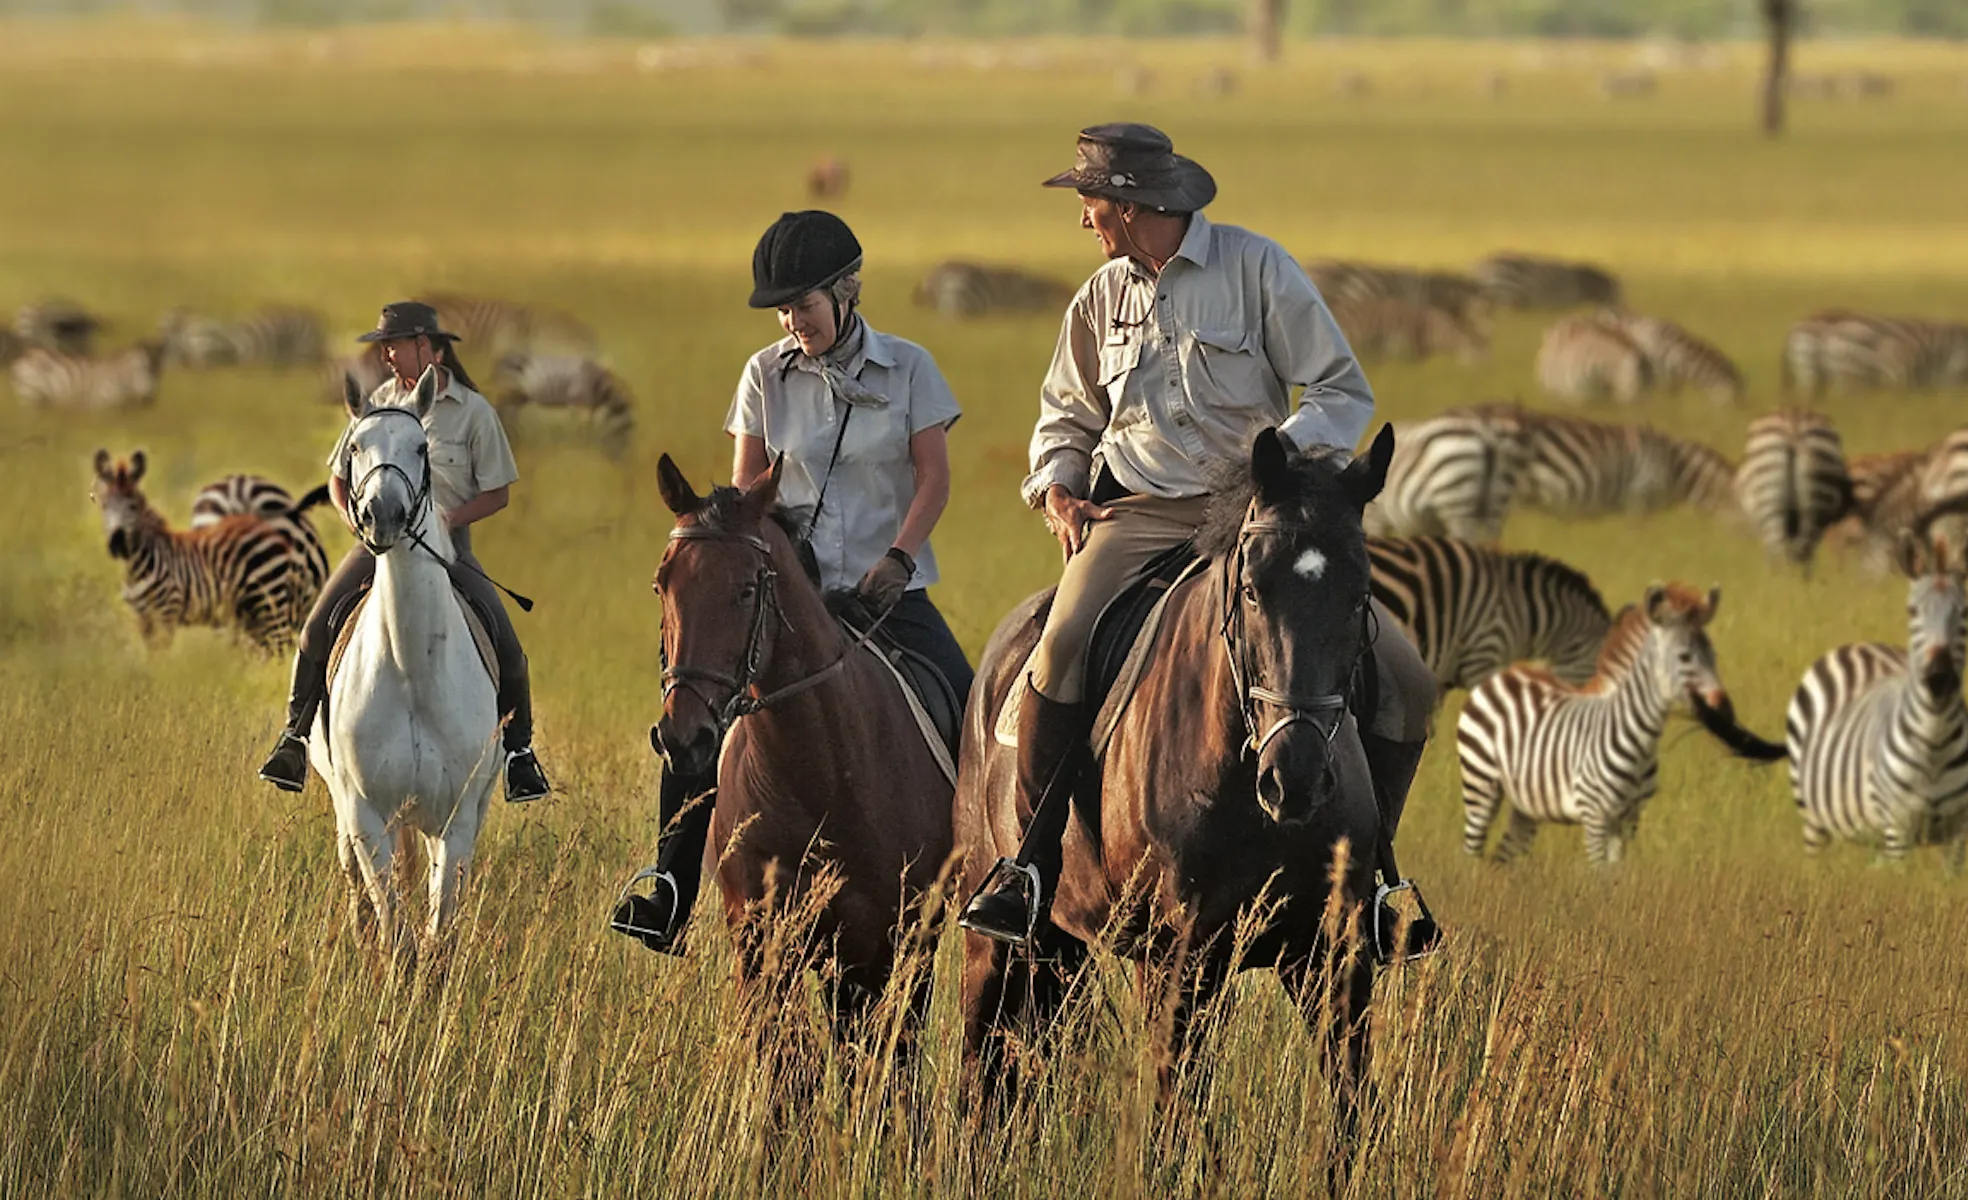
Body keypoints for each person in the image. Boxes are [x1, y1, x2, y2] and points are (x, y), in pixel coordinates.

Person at [954, 123, 1437, 950]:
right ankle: (1029, 869)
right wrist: (1060, 488)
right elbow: (1065, 416)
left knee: (1408, 680)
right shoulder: (1099, 298)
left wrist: (1279, 461)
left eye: (1090, 201)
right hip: (1137, 515)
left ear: (1134, 203)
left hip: (1256, 515)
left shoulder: (1258, 269)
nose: (1084, 220)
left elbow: (1339, 390)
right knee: (1063, 645)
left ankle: (1373, 879)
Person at [609, 209, 970, 951]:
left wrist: (899, 559)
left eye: (803, 304)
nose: (790, 320)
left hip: (886, 596)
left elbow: (933, 481)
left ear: (847, 293)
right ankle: (669, 886)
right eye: (782, 308)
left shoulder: (910, 369)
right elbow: (747, 493)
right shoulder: (762, 374)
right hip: (787, 598)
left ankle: (990, 874)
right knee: (696, 718)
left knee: (967, 709)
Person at [258, 301, 550, 803]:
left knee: (508, 646)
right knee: (314, 630)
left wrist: (448, 520)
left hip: (448, 548)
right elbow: (337, 478)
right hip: (378, 543)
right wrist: (353, 517)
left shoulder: (474, 411)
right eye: (384, 348)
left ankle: (521, 755)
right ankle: (294, 738)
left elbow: (498, 493)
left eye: (393, 345)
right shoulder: (377, 403)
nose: (388, 356)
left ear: (427, 346)